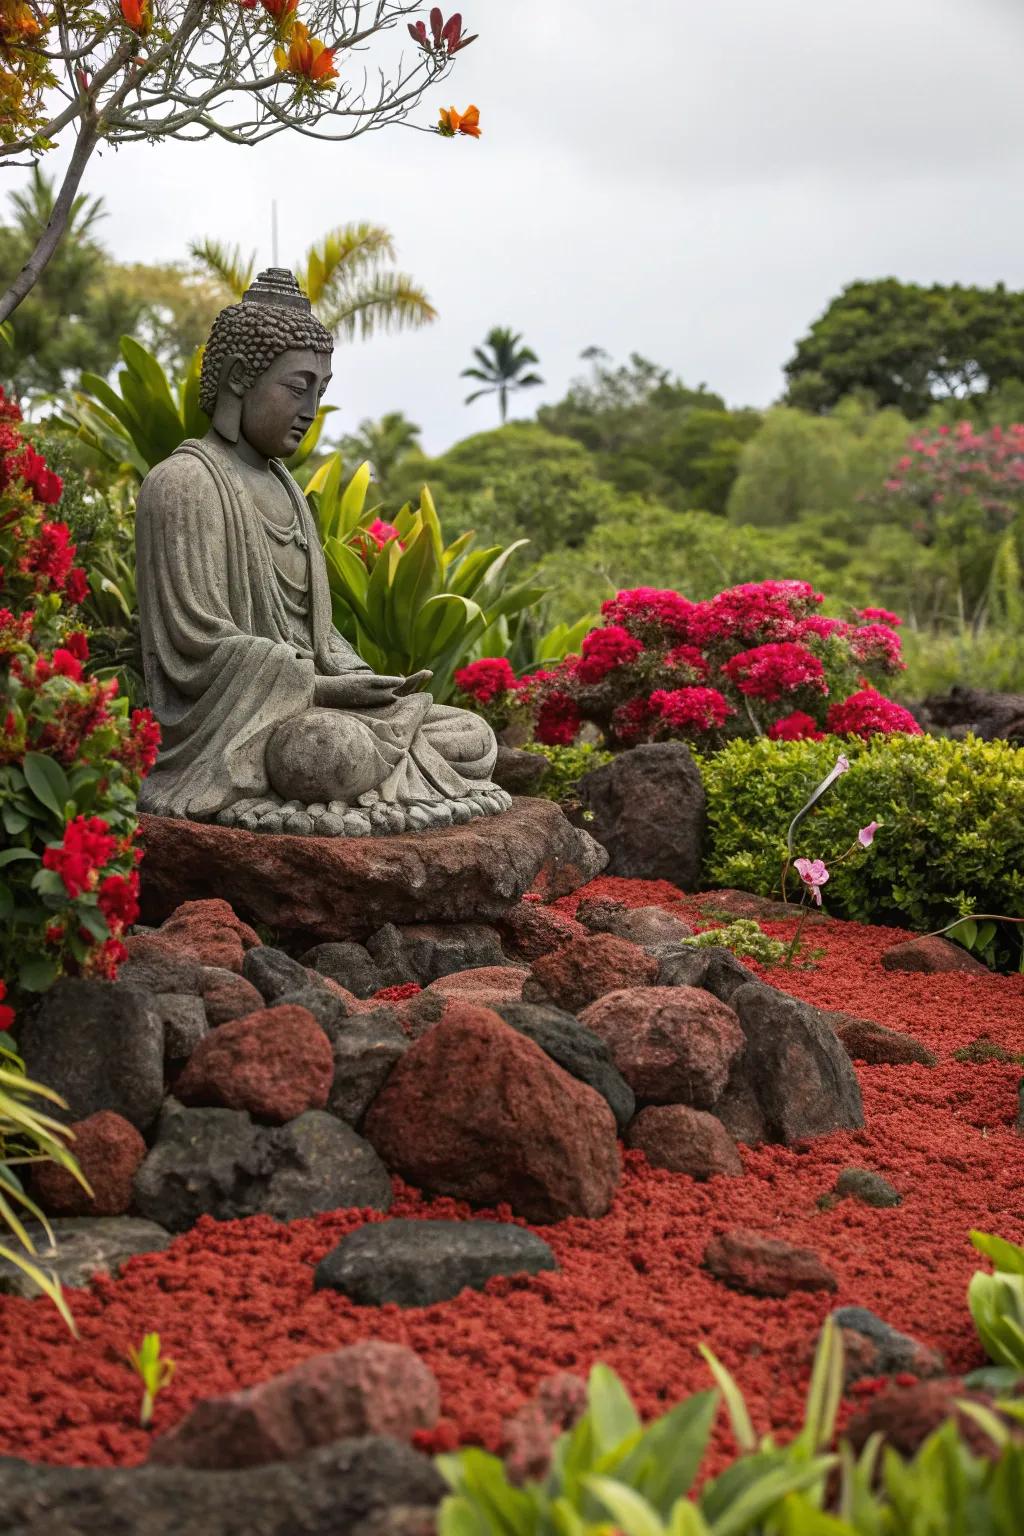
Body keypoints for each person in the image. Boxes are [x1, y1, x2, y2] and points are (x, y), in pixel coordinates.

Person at [135, 268, 509, 837]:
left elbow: (319, 636)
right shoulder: (184, 484)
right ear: (237, 379)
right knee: (324, 749)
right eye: (297, 386)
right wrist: (320, 689)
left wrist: (363, 683)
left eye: (321, 391)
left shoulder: (289, 492)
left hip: (314, 706)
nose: (311, 408)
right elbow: (193, 649)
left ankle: (375, 768)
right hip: (236, 732)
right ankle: (376, 777)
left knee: (471, 735)